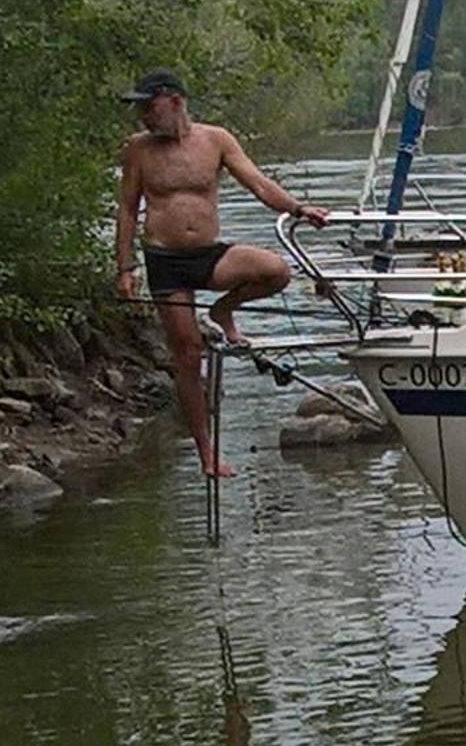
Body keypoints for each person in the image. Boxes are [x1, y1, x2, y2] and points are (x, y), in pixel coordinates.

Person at [115, 70, 329, 479]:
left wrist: (299, 209)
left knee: (275, 271)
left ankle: (223, 312)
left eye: (149, 105)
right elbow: (127, 208)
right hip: (165, 261)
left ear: (175, 101)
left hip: (209, 254)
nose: (142, 115)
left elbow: (258, 184)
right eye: (138, 107)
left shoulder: (216, 140)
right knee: (189, 355)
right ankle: (206, 452)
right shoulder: (138, 150)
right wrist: (124, 268)